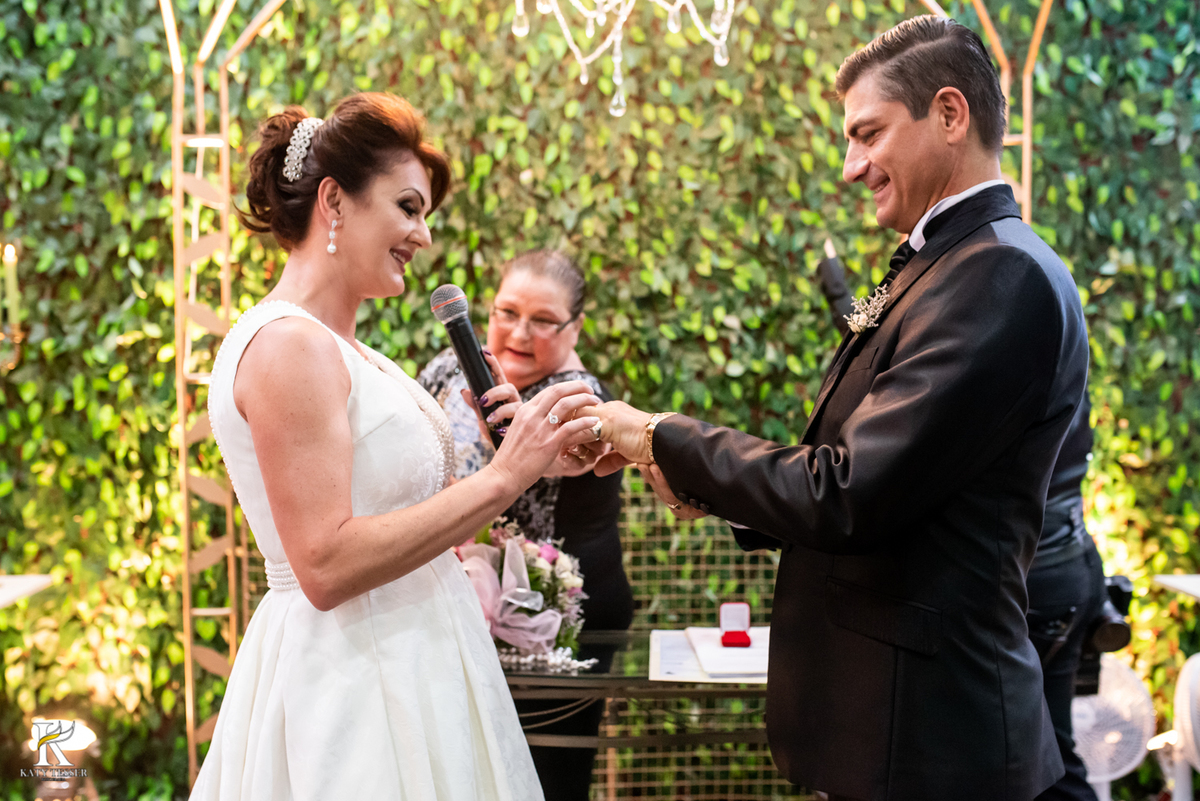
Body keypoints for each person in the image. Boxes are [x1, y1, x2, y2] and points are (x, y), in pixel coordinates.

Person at [584, 16, 1089, 801]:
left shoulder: (999, 275)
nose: (852, 167)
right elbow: (877, 479)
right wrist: (686, 474)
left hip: (933, 742)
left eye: (868, 134)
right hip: (892, 731)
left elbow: (848, 493)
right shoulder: (951, 264)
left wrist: (661, 434)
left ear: (950, 115)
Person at [190, 93, 601, 800]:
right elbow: (323, 562)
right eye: (408, 207)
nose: (424, 235)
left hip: (419, 664)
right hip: (354, 681)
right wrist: (502, 479)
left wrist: (538, 456)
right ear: (335, 201)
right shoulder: (288, 345)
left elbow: (415, 520)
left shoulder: (359, 354)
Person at [821, 246, 1105, 801]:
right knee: (1052, 757)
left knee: (1043, 761)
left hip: (1037, 580)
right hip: (1066, 565)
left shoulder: (1006, 331)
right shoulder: (1053, 355)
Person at [419, 249, 634, 801]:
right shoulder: (445, 370)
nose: (518, 332)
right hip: (456, 606)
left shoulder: (580, 397)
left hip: (561, 620)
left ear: (575, 328)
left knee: (547, 779)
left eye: (542, 321)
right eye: (506, 312)